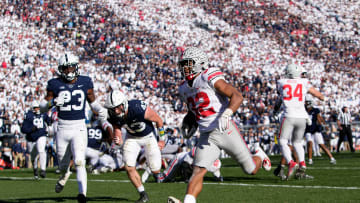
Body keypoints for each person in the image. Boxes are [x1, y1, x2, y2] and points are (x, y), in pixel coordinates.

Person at [168, 47, 271, 203]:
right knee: (198, 171)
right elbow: (194, 110)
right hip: (206, 135)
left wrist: (227, 113)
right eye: (183, 64)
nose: (185, 68)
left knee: (251, 169)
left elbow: (236, 95)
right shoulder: (183, 88)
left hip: (224, 129)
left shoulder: (208, 76)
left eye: (188, 64)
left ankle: (258, 154)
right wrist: (189, 121)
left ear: (200, 63)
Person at [39, 52, 107, 203]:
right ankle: (65, 175)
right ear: (60, 69)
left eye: (71, 68)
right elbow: (42, 107)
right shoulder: (54, 84)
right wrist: (53, 102)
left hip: (79, 126)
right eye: (66, 69)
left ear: (76, 67)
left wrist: (102, 110)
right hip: (62, 128)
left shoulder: (85, 81)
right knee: (63, 166)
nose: (69, 71)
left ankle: (82, 194)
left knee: (79, 161)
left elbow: (93, 102)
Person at [104, 90, 166, 203]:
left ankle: (152, 170)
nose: (116, 111)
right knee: (128, 166)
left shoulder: (137, 108)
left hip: (148, 137)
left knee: (156, 169)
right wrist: (118, 138)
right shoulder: (112, 115)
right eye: (113, 109)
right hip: (132, 137)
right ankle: (143, 194)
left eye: (118, 107)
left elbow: (158, 120)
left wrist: (162, 140)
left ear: (124, 103)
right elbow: (117, 129)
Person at [274, 63, 324, 180]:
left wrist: (275, 110)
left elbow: (280, 98)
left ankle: (291, 163)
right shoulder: (304, 82)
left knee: (282, 141)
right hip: (302, 117)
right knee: (297, 143)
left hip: (288, 116)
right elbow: (319, 96)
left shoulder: (281, 82)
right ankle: (302, 164)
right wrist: (324, 98)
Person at [21, 100, 51, 178]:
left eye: (39, 107)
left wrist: (48, 129)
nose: (38, 109)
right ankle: (35, 169)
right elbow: (23, 129)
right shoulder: (28, 115)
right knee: (33, 156)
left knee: (41, 150)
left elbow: (49, 122)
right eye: (36, 108)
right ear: (32, 108)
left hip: (41, 135)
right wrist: (31, 129)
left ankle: (43, 170)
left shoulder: (44, 114)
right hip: (31, 138)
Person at [304, 97, 336, 165]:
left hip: (315, 129)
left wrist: (324, 125)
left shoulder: (315, 110)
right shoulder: (303, 110)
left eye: (307, 102)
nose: (306, 103)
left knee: (321, 144)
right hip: (308, 130)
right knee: (310, 143)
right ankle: (310, 160)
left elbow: (319, 118)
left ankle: (332, 158)